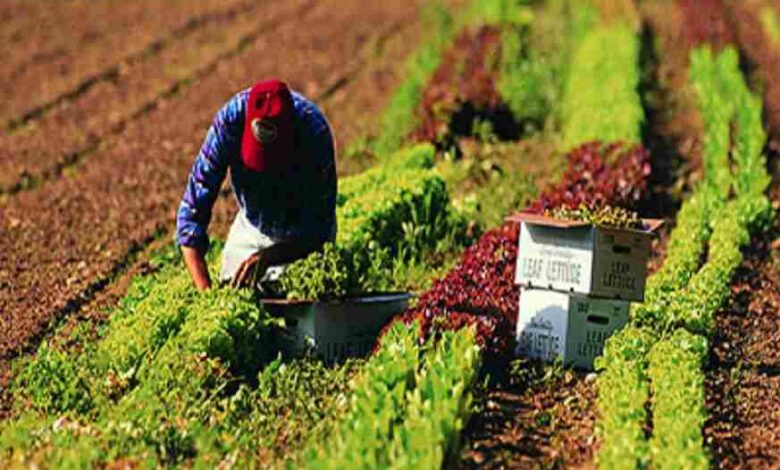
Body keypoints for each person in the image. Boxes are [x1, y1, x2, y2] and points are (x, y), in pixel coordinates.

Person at [176, 79, 337, 291]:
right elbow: (191, 214)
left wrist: (270, 257)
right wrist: (206, 294)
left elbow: (318, 231)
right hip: (252, 228)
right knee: (234, 289)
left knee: (302, 303)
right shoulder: (230, 122)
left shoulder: (314, 133)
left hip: (301, 238)